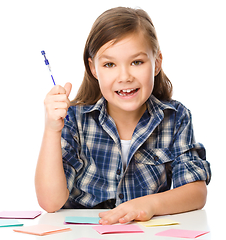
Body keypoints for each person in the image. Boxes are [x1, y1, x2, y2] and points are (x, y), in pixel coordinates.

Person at [35, 7, 211, 225]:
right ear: (94, 69)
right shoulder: (76, 120)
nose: (125, 76)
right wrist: (52, 129)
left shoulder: (175, 118)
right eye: (109, 64)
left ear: (156, 62)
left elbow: (196, 192)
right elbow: (50, 202)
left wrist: (149, 204)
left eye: (137, 62)